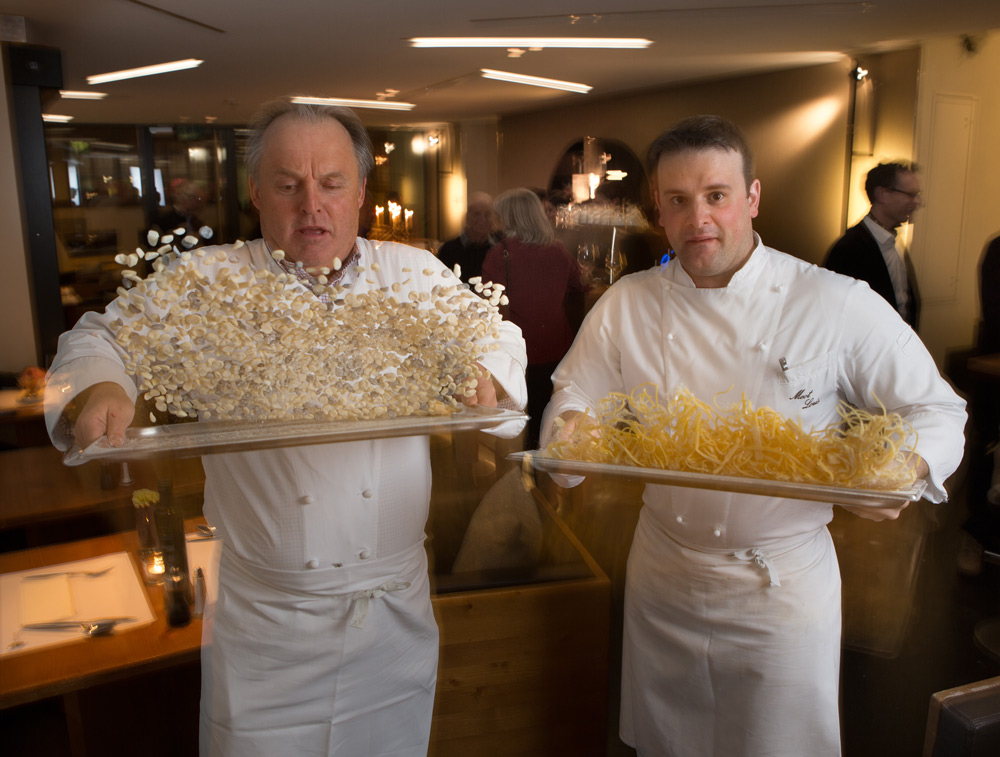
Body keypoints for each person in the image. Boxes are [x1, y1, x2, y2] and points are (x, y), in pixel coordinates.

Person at [43, 101, 528, 756]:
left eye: (330, 183)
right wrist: (100, 388)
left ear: (359, 190)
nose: (311, 206)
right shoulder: (207, 282)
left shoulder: (414, 275)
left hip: (391, 622)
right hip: (266, 631)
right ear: (255, 193)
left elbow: (499, 335)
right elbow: (92, 338)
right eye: (287, 184)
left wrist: (487, 372)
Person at [540, 115, 966, 756]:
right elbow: (575, 391)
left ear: (753, 197)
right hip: (663, 578)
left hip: (779, 590)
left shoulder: (832, 300)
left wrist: (906, 467)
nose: (698, 219)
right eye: (678, 201)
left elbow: (939, 410)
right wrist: (570, 433)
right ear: (658, 206)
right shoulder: (629, 303)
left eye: (716, 196)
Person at [483, 187, 587, 450]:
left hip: (519, 353)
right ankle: (546, 475)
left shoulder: (499, 254)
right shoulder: (559, 250)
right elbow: (581, 284)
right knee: (549, 419)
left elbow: (488, 305)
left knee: (517, 425)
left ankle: (520, 480)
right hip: (557, 347)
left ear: (509, 217)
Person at [822, 161, 922, 328]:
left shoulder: (894, 242)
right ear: (882, 194)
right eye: (911, 194)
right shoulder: (848, 250)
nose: (918, 201)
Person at [436, 192, 497, 283]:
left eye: (487, 215)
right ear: (467, 217)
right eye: (476, 214)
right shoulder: (449, 249)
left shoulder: (497, 249)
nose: (482, 219)